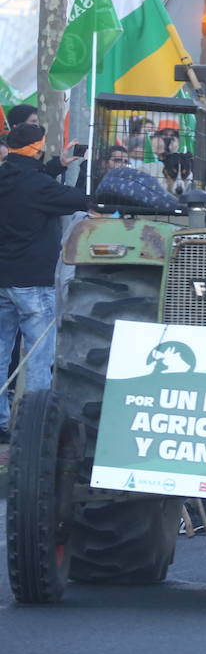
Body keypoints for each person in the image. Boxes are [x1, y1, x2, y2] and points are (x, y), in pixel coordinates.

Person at [0, 122, 89, 441]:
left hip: (3, 279)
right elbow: (79, 200)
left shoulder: (8, 175)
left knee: (0, 351)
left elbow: (30, 180)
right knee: (38, 354)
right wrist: (82, 170)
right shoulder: (39, 187)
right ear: (36, 149)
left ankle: (1, 421)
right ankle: (32, 423)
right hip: (34, 283)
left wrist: (59, 165)